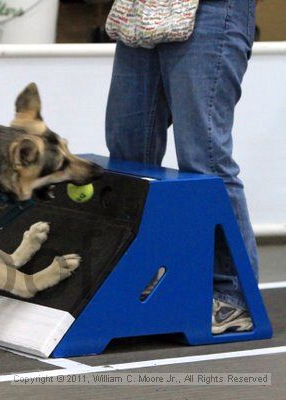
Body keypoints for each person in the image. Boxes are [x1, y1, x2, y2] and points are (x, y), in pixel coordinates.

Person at [105, 0, 258, 334]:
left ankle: (232, 295)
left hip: (213, 9)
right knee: (127, 152)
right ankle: (142, 274)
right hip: (141, 8)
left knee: (205, 159)